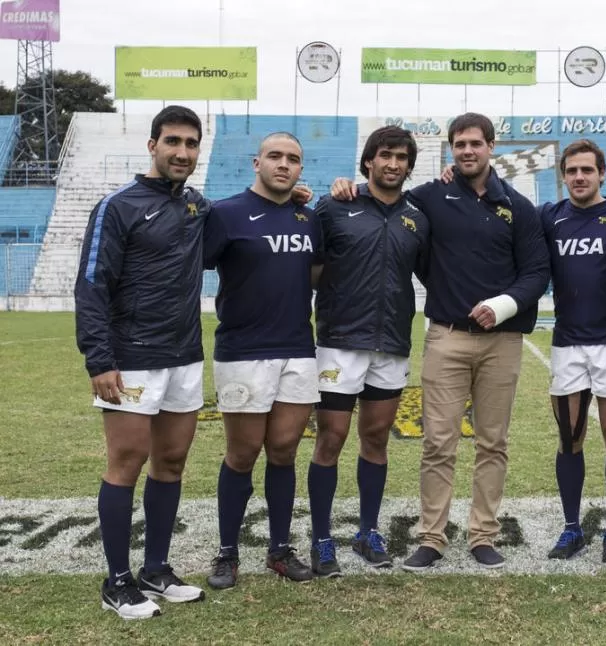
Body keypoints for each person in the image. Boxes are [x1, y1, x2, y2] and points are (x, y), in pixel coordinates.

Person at [330, 113, 550, 570]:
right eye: (458, 145)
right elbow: (382, 204)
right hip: (446, 337)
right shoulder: (429, 197)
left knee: (493, 442)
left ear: (491, 147)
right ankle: (431, 536)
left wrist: (504, 304)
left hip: (502, 341)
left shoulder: (519, 206)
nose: (467, 151)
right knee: (438, 443)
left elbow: (536, 272)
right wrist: (342, 187)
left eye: (475, 143)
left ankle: (483, 534)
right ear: (450, 151)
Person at [75, 106, 208, 619]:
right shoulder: (117, 206)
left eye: (191, 143)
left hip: (185, 357)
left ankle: (155, 569)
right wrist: (99, 359)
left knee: (170, 463)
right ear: (152, 145)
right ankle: (116, 580)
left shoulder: (198, 207)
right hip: (130, 359)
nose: (182, 152)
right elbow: (91, 286)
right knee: (126, 464)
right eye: (172, 141)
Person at [308, 126, 429, 576]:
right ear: (368, 162)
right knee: (331, 440)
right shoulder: (335, 206)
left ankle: (367, 530)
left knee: (376, 440)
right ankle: (322, 538)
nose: (393, 163)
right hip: (340, 344)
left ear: (409, 165)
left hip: (392, 345)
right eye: (384, 155)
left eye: (401, 157)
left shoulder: (418, 217)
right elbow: (310, 269)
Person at [203, 132, 322, 589]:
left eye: (293, 158)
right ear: (257, 162)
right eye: (275, 156)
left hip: (297, 349)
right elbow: (196, 262)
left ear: (299, 169)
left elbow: (315, 274)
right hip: (243, 352)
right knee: (242, 453)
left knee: (284, 451)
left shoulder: (307, 218)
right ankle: (227, 553)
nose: (284, 164)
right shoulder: (226, 214)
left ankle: (278, 549)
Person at [532, 139, 606, 564]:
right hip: (568, 343)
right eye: (572, 171)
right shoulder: (551, 217)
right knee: (569, 437)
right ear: (562, 175)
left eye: (587, 171)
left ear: (601, 174)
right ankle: (572, 527)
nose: (579, 177)